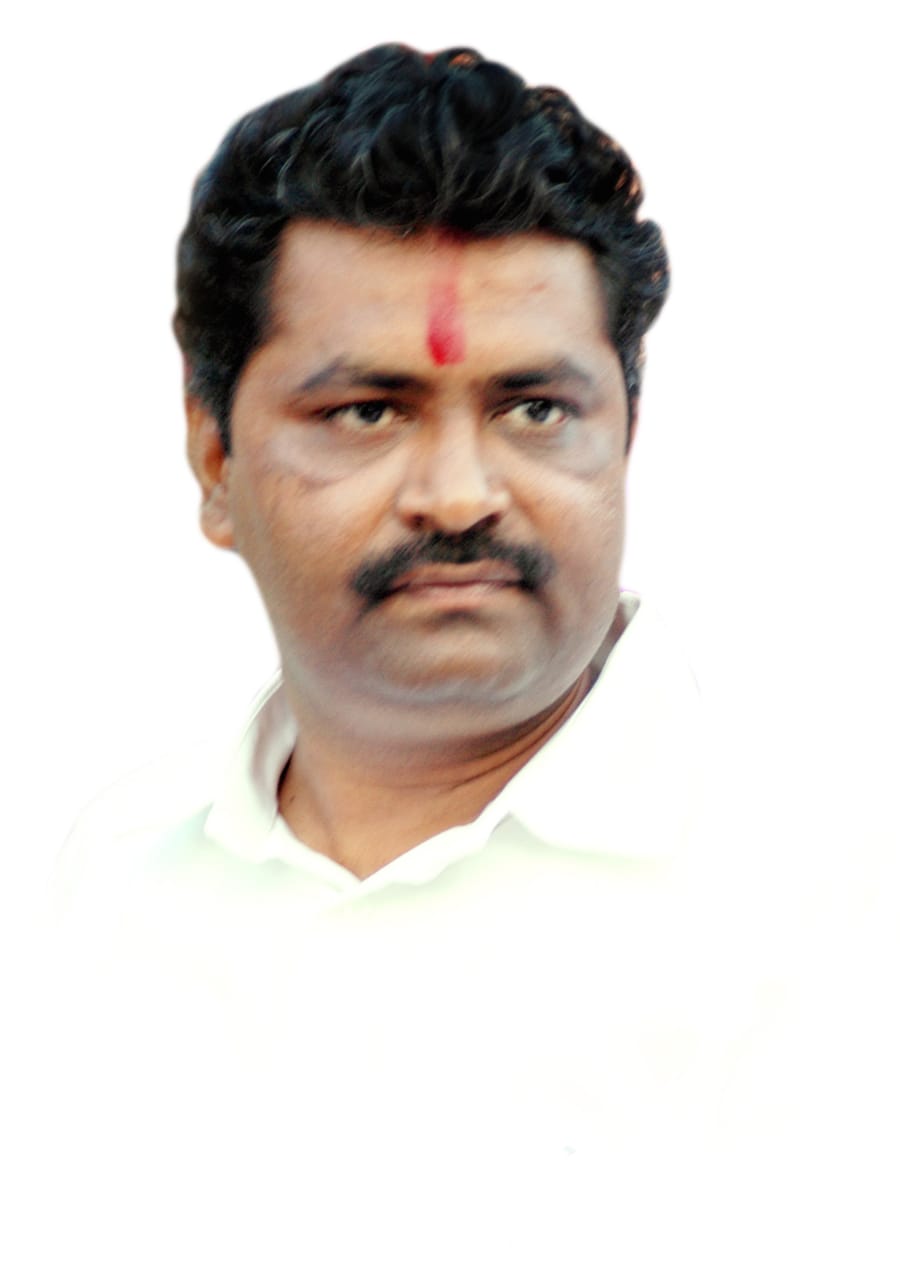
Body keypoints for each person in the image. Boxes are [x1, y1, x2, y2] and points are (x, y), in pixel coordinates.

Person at [39, 44, 824, 1277]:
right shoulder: (112, 872)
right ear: (214, 460)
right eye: (368, 411)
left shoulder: (838, 911)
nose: (460, 495)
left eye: (534, 409)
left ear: (626, 435)